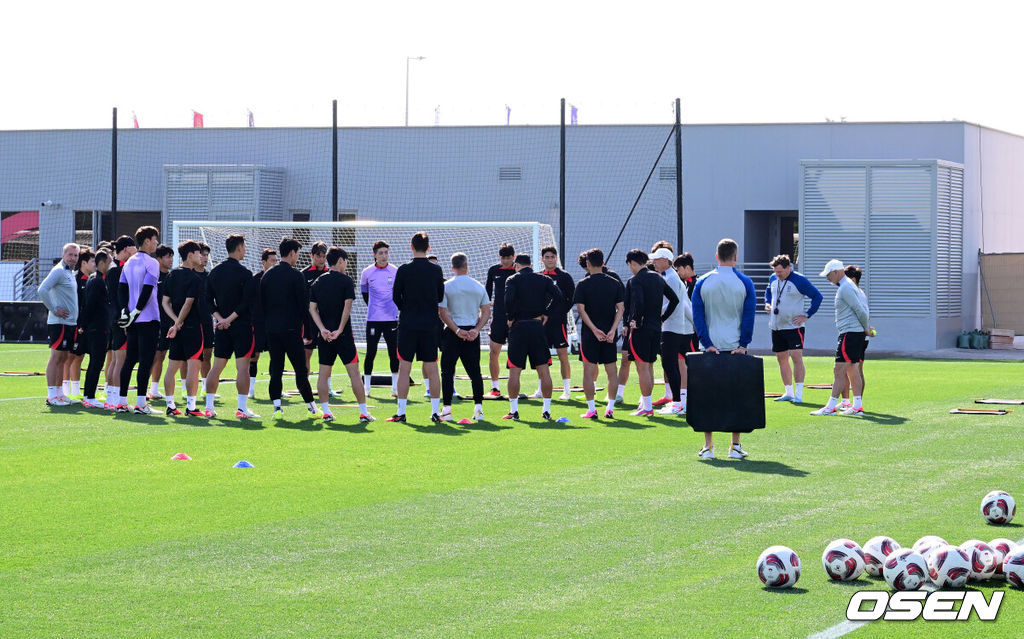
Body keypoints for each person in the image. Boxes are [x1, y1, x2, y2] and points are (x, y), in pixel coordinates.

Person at [691, 238, 756, 459]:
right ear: (736, 257)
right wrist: (743, 344)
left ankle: (708, 447)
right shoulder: (745, 281)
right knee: (735, 396)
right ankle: (735, 446)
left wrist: (706, 343)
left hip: (709, 347)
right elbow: (749, 315)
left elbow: (697, 316)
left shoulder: (703, 281)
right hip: (735, 347)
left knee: (707, 396)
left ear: (716, 256)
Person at [309, 246, 374, 423]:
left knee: (324, 373)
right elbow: (347, 306)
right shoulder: (346, 281)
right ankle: (363, 412)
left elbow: (312, 309)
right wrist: (339, 330)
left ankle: (326, 412)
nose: (347, 264)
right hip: (343, 336)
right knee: (354, 373)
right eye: (346, 261)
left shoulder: (318, 282)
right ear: (340, 261)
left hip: (325, 337)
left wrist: (322, 329)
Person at [386, 232, 445, 423]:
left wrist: (407, 309)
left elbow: (395, 296)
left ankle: (402, 413)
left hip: (408, 324)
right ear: (428, 248)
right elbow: (440, 296)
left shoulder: (403, 269)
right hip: (429, 324)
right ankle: (435, 412)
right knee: (432, 367)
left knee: (405, 368)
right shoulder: (436, 270)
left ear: (411, 247)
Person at [261, 237, 319, 420]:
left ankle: (277, 408)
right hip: (292, 331)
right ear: (292, 253)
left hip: (272, 330)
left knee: (276, 369)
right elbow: (304, 306)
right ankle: (312, 407)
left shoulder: (268, 275)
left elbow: (262, 305)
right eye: (298, 254)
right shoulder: (296, 275)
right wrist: (309, 332)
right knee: (300, 370)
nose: (298, 257)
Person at [503, 253, 564, 421]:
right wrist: (546, 312)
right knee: (543, 369)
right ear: (531, 265)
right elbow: (559, 297)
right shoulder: (543, 279)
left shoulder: (512, 280)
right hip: (537, 326)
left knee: (514, 371)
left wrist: (510, 317)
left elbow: (508, 299)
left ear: (516, 265)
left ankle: (514, 410)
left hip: (519, 326)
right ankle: (546, 410)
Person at [205, 234, 258, 419]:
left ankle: (209, 407)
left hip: (221, 327)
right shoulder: (245, 273)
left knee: (216, 366)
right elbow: (247, 303)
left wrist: (221, 319)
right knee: (242, 368)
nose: (245, 250)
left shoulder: (215, 272)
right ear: (238, 248)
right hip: (240, 326)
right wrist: (230, 319)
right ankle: (242, 409)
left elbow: (207, 300)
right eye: (244, 247)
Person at [810, 260, 872, 416]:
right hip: (854, 333)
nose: (827, 278)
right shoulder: (848, 286)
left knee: (839, 370)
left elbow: (860, 310)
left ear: (837, 272)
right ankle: (857, 405)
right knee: (853, 369)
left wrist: (865, 328)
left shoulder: (845, 287)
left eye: (828, 275)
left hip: (850, 333)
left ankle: (830, 407)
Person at [623, 249, 679, 417]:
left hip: (642, 329)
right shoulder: (658, 277)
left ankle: (647, 407)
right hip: (656, 327)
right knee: (648, 365)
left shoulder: (636, 280)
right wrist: (662, 318)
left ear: (632, 263)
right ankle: (646, 405)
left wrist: (636, 320)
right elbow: (674, 299)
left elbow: (639, 301)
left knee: (642, 367)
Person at [438, 252, 491, 422]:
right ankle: (478, 409)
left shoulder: (447, 286)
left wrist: (456, 330)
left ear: (452, 267)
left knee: (447, 371)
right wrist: (476, 329)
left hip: (453, 332)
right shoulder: (478, 286)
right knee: (475, 372)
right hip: (471, 333)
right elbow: (486, 311)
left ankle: (446, 410)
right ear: (467, 266)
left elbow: (442, 312)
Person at [573, 248, 624, 419]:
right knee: (612, 372)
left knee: (588, 371)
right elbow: (621, 308)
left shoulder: (582, 284)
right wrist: (612, 330)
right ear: (603, 263)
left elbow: (581, 310)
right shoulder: (615, 283)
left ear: (587, 264)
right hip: (609, 335)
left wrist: (594, 330)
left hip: (590, 335)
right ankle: (609, 408)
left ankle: (592, 409)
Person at [764, 254, 823, 403]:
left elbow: (817, 296)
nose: (777, 275)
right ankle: (788, 392)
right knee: (781, 359)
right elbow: (768, 292)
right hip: (776, 326)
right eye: (775, 272)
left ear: (788, 268)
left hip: (793, 326)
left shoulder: (800, 280)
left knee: (796, 356)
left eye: (780, 272)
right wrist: (767, 303)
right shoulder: (773, 278)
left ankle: (799, 394)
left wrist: (807, 315)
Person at [117, 225, 162, 414]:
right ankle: (141, 403)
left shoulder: (128, 262)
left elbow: (121, 289)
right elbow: (148, 289)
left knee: (130, 360)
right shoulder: (152, 262)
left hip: (133, 320)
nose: (157, 243)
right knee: (146, 360)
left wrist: (124, 312)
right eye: (155, 239)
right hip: (148, 317)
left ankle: (121, 402)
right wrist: (136, 311)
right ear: (147, 241)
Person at [161, 241, 206, 417]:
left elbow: (165, 302)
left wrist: (175, 323)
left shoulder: (171, 276)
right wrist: (178, 322)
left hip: (177, 328)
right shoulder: (195, 278)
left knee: (172, 367)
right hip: (192, 327)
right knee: (194, 367)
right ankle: (191, 406)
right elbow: (188, 303)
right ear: (190, 255)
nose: (201, 257)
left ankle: (170, 405)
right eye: (198, 253)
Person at [38, 243, 80, 406]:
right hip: (59, 323)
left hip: (69, 323)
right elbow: (42, 290)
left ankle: (60, 393)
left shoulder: (70, 273)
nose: (73, 258)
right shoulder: (58, 271)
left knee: (63, 358)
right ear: (63, 255)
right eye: (70, 255)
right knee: (56, 358)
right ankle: (52, 396)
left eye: (76, 255)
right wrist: (54, 309)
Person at [651, 247, 691, 415]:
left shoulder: (671, 278)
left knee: (670, 364)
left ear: (665, 261)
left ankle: (677, 403)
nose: (653, 262)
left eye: (656, 259)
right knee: (670, 364)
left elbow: (674, 303)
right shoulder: (670, 277)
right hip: (673, 326)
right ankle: (678, 401)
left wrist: (655, 313)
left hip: (672, 327)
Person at [534, 246, 576, 401]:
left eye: (552, 256)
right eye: (547, 257)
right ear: (542, 259)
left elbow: (570, 299)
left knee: (562, 355)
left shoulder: (564, 276)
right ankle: (540, 388)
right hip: (541, 324)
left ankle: (566, 390)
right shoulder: (537, 276)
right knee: (541, 357)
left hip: (558, 323)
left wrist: (557, 313)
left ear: (556, 258)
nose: (550, 259)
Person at [360, 240, 400, 397]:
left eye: (386, 252)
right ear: (375, 255)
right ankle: (367, 388)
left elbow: (399, 293)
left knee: (393, 353)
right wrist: (375, 307)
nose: (384, 256)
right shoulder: (367, 272)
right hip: (373, 320)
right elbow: (364, 294)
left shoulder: (395, 271)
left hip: (391, 319)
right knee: (371, 352)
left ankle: (395, 388)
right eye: (381, 253)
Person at [105, 235, 137, 410]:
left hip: (116, 319)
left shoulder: (114, 269)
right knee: (120, 361)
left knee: (116, 361)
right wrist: (124, 321)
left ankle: (111, 399)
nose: (136, 252)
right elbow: (118, 299)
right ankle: (117, 400)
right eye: (133, 248)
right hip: (121, 320)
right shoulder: (118, 270)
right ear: (126, 249)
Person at [839, 265, 873, 411]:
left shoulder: (856, 293)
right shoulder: (854, 291)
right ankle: (847, 401)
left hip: (857, 335)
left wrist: (866, 329)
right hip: (855, 333)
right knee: (846, 369)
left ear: (853, 279)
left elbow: (862, 313)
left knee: (855, 370)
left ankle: (857, 403)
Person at [80, 249, 111, 408]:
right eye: (109, 261)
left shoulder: (97, 279)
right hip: (97, 328)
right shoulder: (97, 280)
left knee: (96, 363)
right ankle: (89, 396)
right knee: (96, 363)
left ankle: (89, 395)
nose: (110, 264)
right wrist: (83, 325)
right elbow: (90, 305)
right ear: (103, 262)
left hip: (97, 327)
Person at [246, 248, 278, 399]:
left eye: (276, 260)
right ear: (263, 262)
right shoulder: (254, 279)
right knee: (254, 356)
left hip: (274, 323)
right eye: (272, 260)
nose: (274, 263)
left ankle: (275, 387)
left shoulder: (279, 278)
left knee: (276, 355)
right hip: (257, 323)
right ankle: (251, 389)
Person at [485, 243, 516, 397]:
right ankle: (495, 387)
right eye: (503, 258)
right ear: (500, 257)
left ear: (514, 257)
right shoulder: (494, 270)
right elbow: (487, 291)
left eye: (509, 258)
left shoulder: (518, 270)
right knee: (493, 352)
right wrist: (486, 304)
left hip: (516, 319)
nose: (506, 261)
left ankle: (513, 386)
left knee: (515, 353)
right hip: (498, 318)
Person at [64, 248, 94, 400]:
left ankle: (75, 391)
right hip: (74, 324)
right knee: (70, 356)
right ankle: (65, 390)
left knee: (79, 356)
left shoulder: (90, 279)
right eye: (92, 261)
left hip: (84, 324)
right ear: (84, 263)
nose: (95, 264)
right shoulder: (75, 279)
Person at [147, 244, 175, 402]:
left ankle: (154, 389)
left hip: (168, 322)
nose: (170, 260)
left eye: (171, 256)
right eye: (167, 256)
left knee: (162, 355)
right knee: (153, 356)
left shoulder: (171, 277)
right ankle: (144, 389)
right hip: (153, 322)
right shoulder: (152, 275)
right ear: (158, 259)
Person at [672, 253, 699, 412]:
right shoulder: (684, 283)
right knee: (681, 362)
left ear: (687, 267)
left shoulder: (697, 284)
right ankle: (683, 399)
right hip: (684, 330)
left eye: (679, 269)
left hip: (693, 331)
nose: (678, 272)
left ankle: (694, 398)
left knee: (692, 364)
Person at [301, 241, 330, 384]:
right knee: (307, 354)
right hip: (309, 321)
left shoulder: (330, 273)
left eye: (324, 256)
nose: (321, 259)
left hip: (327, 320)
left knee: (328, 355)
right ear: (312, 256)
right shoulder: (304, 274)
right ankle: (304, 386)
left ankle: (327, 387)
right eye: (318, 256)